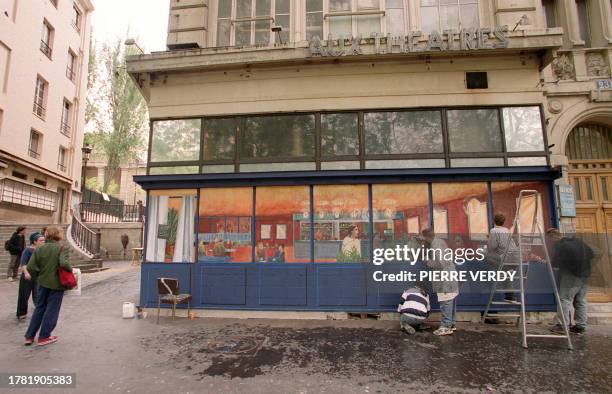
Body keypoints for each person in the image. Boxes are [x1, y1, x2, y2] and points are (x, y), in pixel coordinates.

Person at [22, 227, 73, 346]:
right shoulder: (61, 248)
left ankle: (29, 336)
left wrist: (39, 276)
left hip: (42, 282)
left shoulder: (39, 249)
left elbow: (30, 267)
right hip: (57, 283)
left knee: (39, 308)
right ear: (58, 235)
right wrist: (71, 270)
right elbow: (63, 263)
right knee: (52, 309)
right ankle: (44, 336)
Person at [547, 229, 595, 335]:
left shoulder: (562, 246)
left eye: (550, 239)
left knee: (565, 299)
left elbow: (556, 263)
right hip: (585, 274)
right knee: (580, 300)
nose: (551, 242)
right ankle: (580, 326)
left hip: (571, 275)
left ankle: (562, 325)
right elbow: (592, 254)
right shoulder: (578, 241)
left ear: (553, 237)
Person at [421, 228, 459, 336]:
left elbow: (440, 263)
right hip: (450, 274)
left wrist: (428, 261)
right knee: (451, 300)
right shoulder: (440, 241)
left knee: (445, 301)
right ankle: (451, 324)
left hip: (444, 277)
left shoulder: (435, 245)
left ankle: (445, 327)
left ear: (426, 237)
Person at [485, 213, 520, 302]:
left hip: (505, 259)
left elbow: (491, 247)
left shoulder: (493, 231)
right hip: (515, 260)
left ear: (494, 221)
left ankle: (489, 281)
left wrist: (488, 240)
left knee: (483, 255)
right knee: (506, 275)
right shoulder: (507, 230)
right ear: (504, 222)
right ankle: (510, 296)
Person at [16, 232, 45, 320]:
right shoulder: (28, 250)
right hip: (28, 275)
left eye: (44, 240)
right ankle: (21, 313)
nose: (43, 242)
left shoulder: (42, 250)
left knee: (38, 294)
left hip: (38, 275)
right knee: (24, 295)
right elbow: (23, 263)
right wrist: (26, 273)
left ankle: (39, 311)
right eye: (41, 240)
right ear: (35, 241)